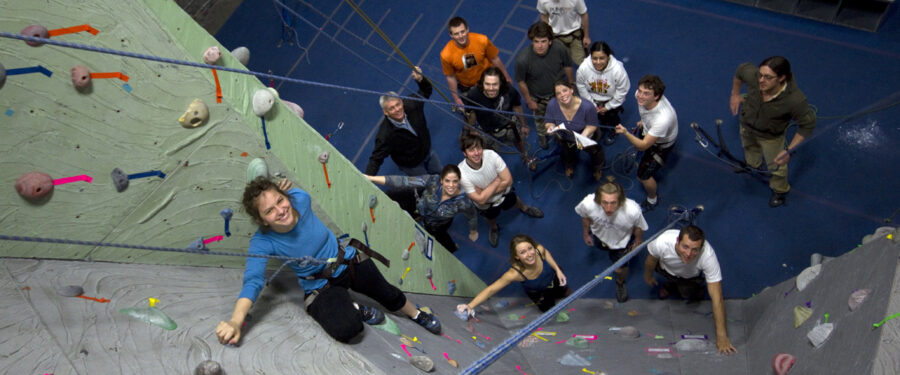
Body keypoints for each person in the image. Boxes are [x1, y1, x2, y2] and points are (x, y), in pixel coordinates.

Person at [215, 177, 441, 345]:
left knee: (388, 293)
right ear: (261, 220)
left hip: (348, 261)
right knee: (347, 328)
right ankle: (354, 307)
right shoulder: (263, 242)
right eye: (269, 211)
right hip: (320, 284)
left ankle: (417, 314)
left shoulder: (300, 200)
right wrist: (236, 321)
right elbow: (253, 281)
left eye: (280, 201)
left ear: (287, 196)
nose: (281, 211)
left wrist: (286, 190)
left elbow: (291, 196)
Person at [729, 56, 816, 207]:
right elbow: (741, 71)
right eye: (760, 75)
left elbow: (807, 125)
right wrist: (735, 94)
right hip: (747, 126)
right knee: (749, 148)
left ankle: (780, 190)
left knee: (776, 166)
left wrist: (789, 151)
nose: (761, 80)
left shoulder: (795, 100)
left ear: (782, 78)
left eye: (768, 77)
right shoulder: (754, 77)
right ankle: (753, 165)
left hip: (770, 137)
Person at [643, 225, 737, 354]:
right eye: (685, 247)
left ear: (701, 248)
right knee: (666, 275)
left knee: (687, 292)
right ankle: (671, 284)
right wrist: (648, 276)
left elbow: (717, 298)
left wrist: (722, 336)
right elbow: (651, 260)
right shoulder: (661, 242)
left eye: (695, 250)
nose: (688, 254)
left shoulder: (708, 256)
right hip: (666, 270)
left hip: (689, 277)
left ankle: (694, 288)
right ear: (677, 241)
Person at [365, 164, 478, 253]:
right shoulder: (432, 181)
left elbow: (472, 216)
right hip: (419, 209)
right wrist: (372, 178)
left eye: (455, 182)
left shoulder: (463, 202)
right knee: (392, 195)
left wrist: (473, 231)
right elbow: (403, 181)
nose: (451, 186)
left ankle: (452, 248)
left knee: (444, 243)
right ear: (441, 180)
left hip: (437, 225)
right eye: (447, 181)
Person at [457, 133, 544, 248]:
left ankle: (525, 208)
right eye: (471, 150)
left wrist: (484, 192)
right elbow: (481, 201)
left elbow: (508, 180)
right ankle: (494, 229)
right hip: (487, 205)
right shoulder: (462, 173)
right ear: (464, 153)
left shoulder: (491, 155)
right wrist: (497, 181)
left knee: (515, 200)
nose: (477, 153)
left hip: (505, 193)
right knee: (490, 217)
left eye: (478, 147)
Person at [575, 176, 648, 302]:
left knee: (619, 270)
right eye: (604, 202)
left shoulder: (632, 210)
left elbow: (638, 227)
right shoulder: (587, 204)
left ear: (620, 200)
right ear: (598, 200)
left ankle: (620, 283)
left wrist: (637, 242)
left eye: (613, 203)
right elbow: (585, 217)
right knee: (601, 246)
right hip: (600, 237)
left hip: (621, 243)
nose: (608, 209)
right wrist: (586, 233)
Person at [456, 234, 569, 315]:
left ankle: (563, 290)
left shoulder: (539, 250)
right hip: (539, 291)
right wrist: (470, 306)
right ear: (517, 257)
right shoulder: (514, 273)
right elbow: (491, 289)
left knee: (564, 290)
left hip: (553, 278)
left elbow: (546, 253)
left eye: (530, 248)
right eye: (522, 252)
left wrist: (557, 270)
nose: (529, 254)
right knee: (547, 308)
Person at [615, 75, 678, 211]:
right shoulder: (642, 98)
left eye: (646, 94)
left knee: (643, 176)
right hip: (650, 129)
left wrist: (625, 133)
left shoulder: (662, 119)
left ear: (656, 96)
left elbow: (643, 145)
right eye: (640, 91)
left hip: (661, 144)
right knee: (642, 136)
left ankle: (652, 199)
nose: (640, 96)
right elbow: (645, 112)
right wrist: (644, 122)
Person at [365, 67, 441, 176]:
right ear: (386, 112)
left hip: (427, 151)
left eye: (398, 104)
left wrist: (421, 79)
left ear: (401, 102)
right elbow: (376, 160)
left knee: (440, 172)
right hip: (412, 165)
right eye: (392, 108)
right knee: (425, 185)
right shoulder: (385, 135)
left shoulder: (412, 104)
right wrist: (367, 179)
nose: (397, 109)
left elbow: (425, 91)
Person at [515, 21, 575, 149]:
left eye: (543, 41)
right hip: (538, 98)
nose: (539, 46)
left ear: (550, 41)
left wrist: (571, 85)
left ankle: (562, 134)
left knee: (563, 116)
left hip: (559, 95)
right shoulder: (523, 59)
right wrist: (529, 100)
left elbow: (568, 65)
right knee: (540, 120)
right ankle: (543, 135)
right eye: (536, 41)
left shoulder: (560, 49)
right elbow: (521, 81)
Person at [441, 17, 512, 108]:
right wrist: (456, 97)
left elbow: (495, 59)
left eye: (462, 31)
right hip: (467, 86)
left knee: (501, 102)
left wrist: (506, 76)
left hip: (488, 78)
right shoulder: (446, 55)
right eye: (456, 34)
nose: (461, 36)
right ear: (451, 35)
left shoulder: (482, 40)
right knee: (473, 109)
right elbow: (450, 77)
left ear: (467, 29)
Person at [463, 67, 529, 160]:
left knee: (519, 140)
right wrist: (472, 130)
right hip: (488, 130)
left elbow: (517, 106)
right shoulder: (473, 95)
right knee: (488, 153)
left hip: (509, 125)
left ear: (500, 83)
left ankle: (525, 156)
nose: (491, 88)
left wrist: (524, 124)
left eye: (495, 84)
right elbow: (471, 113)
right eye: (487, 84)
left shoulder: (509, 90)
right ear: (482, 83)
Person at [544, 80, 604, 179]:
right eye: (558, 93)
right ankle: (569, 165)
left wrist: (583, 137)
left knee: (595, 152)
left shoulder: (587, 106)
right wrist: (550, 127)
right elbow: (549, 121)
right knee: (567, 153)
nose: (562, 95)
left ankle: (597, 168)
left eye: (565, 90)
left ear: (572, 90)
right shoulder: (552, 105)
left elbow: (592, 125)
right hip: (566, 137)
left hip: (586, 136)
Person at [576, 41, 629, 145]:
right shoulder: (583, 68)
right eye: (595, 58)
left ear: (608, 57)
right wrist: (593, 104)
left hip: (611, 102)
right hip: (592, 101)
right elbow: (581, 86)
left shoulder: (618, 70)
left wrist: (608, 107)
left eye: (602, 58)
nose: (598, 62)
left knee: (613, 119)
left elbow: (622, 91)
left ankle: (614, 130)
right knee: (597, 118)